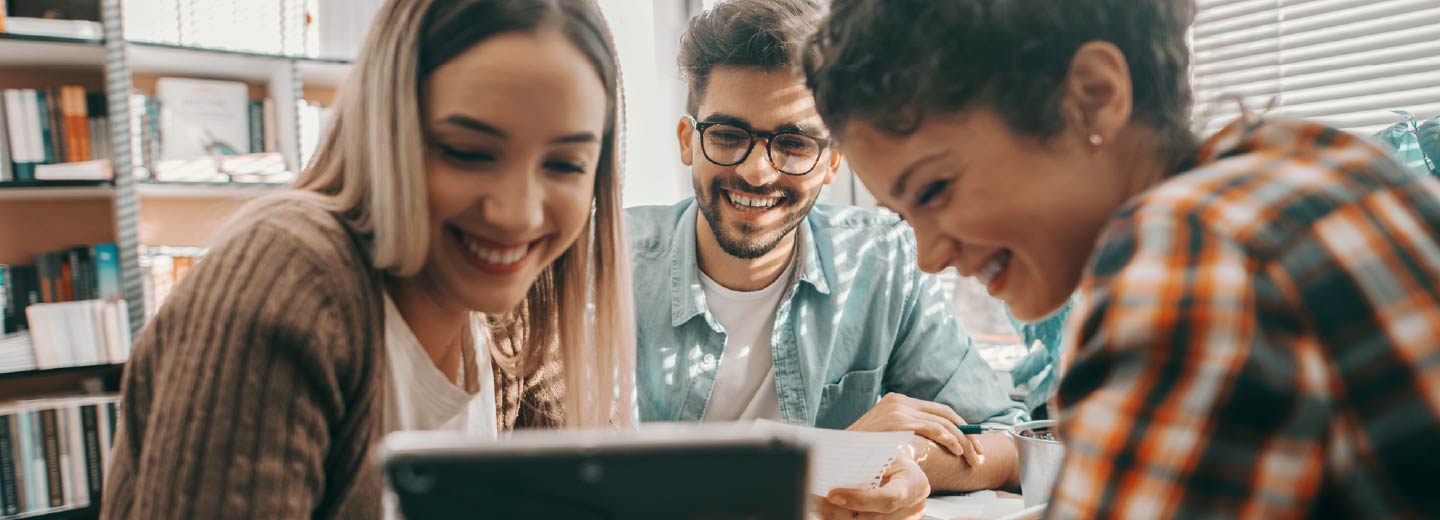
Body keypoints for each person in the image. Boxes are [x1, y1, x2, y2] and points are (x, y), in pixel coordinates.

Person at [805, 0, 1440, 517]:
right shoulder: (1320, 162)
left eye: (935, 190)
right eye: (902, 214)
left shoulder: (1192, 256)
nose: (928, 256)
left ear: (1092, 96)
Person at [101, 0, 635, 518]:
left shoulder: (509, 319)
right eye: (467, 152)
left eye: (565, 164)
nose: (517, 215)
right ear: (387, 129)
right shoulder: (289, 277)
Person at [626, 1, 1028, 517]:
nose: (756, 172)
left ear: (833, 161)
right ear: (688, 141)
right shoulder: (610, 266)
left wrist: (904, 459)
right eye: (728, 136)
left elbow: (1007, 441)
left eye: (793, 143)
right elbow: (575, 476)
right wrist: (832, 460)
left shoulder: (881, 260)